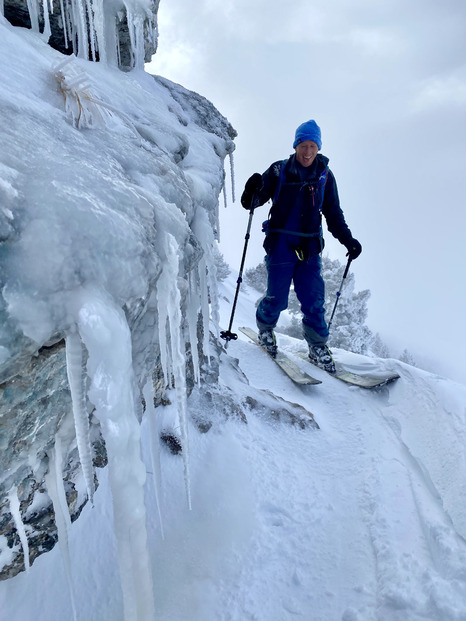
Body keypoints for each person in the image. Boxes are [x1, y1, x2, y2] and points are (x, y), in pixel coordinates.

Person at [240, 119, 362, 373]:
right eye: (303, 146)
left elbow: (333, 212)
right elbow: (254, 201)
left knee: (313, 298)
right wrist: (250, 191)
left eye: (312, 146)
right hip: (281, 242)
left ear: (318, 148)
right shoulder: (278, 170)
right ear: (296, 145)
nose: (307, 152)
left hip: (309, 247)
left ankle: (317, 345)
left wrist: (347, 239)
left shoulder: (325, 176)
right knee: (277, 296)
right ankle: (265, 330)